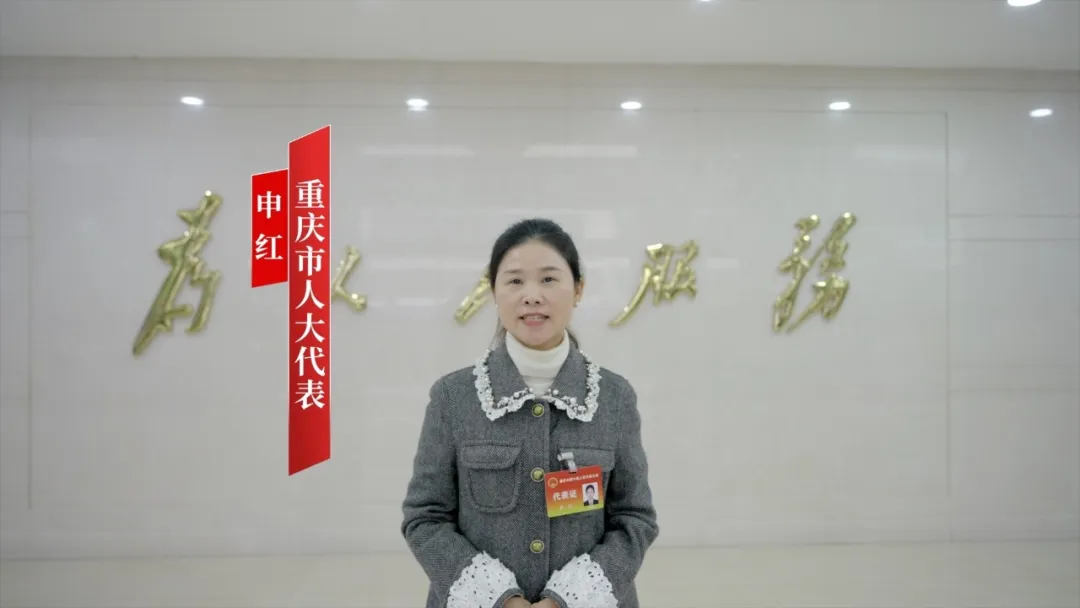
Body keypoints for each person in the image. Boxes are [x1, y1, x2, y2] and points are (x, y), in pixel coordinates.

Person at [401, 218, 660, 608]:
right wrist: (501, 599)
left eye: (549, 279)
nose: (532, 296)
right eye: (515, 281)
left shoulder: (614, 397)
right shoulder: (453, 397)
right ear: (494, 290)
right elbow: (425, 517)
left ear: (578, 290)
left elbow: (635, 519)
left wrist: (565, 599)